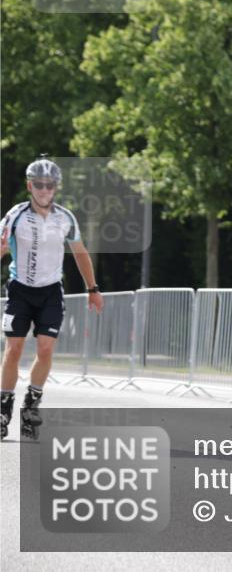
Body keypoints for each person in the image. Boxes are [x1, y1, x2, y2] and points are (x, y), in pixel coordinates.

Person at [0, 156, 104, 439]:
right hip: (20, 289)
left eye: (50, 185)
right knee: (14, 349)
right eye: (39, 184)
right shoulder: (15, 215)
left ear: (56, 187)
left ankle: (31, 404)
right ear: (29, 186)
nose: (44, 190)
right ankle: (4, 406)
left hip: (50, 292)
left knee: (45, 349)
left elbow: (80, 253)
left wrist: (92, 289)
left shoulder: (65, 218)